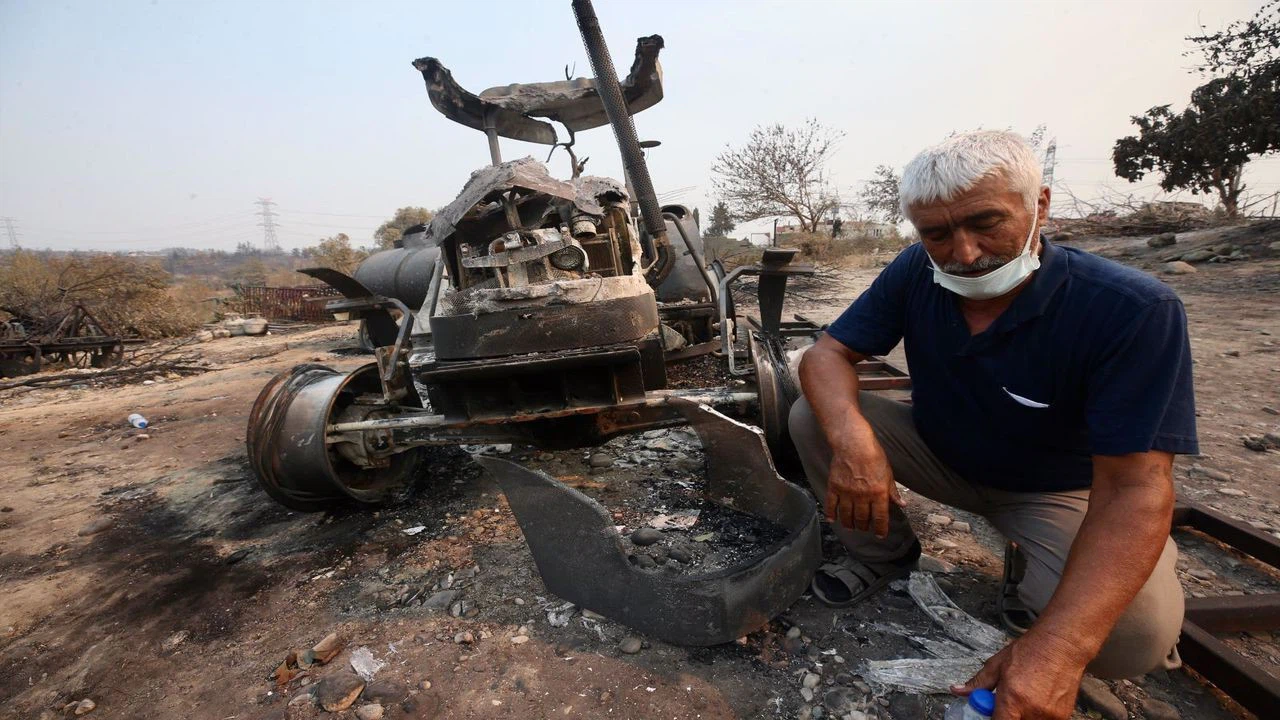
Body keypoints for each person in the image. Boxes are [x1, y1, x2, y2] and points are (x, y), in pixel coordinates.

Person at [790, 130, 1194, 720]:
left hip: (1054, 489)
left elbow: (1136, 488)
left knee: (1130, 639)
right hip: (943, 452)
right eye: (937, 234)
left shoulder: (1131, 311)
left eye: (987, 222)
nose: (965, 252)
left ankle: (1054, 565)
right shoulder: (914, 272)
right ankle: (883, 556)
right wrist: (855, 443)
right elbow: (827, 356)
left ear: (1041, 207)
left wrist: (1058, 647)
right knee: (813, 417)